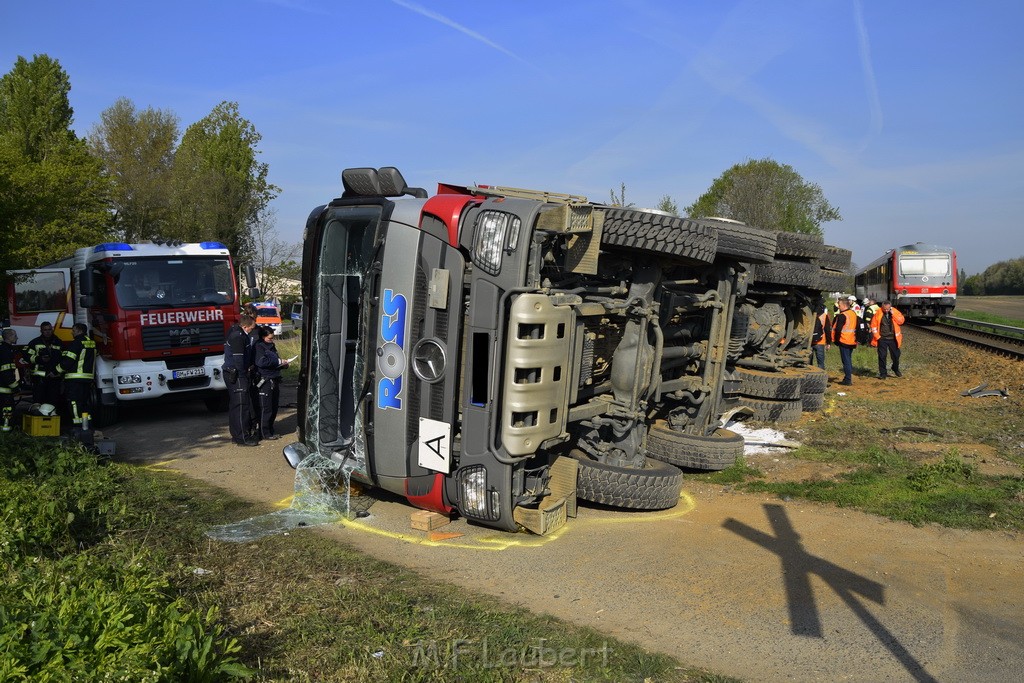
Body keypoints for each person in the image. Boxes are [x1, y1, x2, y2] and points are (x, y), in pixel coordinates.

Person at [224, 313, 258, 446]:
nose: (252, 331)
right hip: (236, 374)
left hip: (233, 373)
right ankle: (242, 438)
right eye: (251, 328)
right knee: (241, 406)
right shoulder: (238, 337)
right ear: (245, 326)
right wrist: (243, 376)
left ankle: (236, 435)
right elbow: (238, 360)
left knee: (235, 406)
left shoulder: (235, 331)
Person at [254, 326, 290, 441]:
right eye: (269, 338)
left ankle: (270, 429)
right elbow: (261, 362)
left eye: (272, 338)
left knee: (274, 407)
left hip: (274, 378)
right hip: (265, 380)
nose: (271, 340)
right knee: (266, 407)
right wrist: (278, 361)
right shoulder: (259, 347)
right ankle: (265, 432)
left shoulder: (271, 346)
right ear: (263, 337)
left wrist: (283, 364)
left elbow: (274, 360)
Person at [59, 323, 96, 429]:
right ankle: (87, 425)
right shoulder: (91, 342)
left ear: (79, 331)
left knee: (74, 402)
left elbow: (68, 361)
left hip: (75, 378)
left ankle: (78, 425)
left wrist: (57, 371)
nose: (72, 332)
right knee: (84, 402)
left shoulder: (76, 343)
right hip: (87, 378)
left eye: (73, 330)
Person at [25, 321, 64, 407]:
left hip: (54, 377)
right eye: (45, 330)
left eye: (49, 329)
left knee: (53, 401)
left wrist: (57, 373)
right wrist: (40, 359)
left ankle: (52, 417)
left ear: (52, 330)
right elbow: (27, 357)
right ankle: (38, 418)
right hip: (39, 378)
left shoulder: (59, 342)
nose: (48, 332)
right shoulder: (34, 342)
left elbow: (64, 359)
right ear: (41, 331)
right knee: (38, 401)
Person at [870, 299, 905, 379]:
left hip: (893, 338)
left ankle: (895, 368)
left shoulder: (895, 311)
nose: (886, 310)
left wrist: (893, 314)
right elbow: (873, 326)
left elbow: (901, 321)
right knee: (882, 356)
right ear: (882, 307)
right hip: (882, 338)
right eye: (884, 309)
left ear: (890, 307)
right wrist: (877, 337)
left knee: (896, 355)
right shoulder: (878, 313)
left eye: (888, 309)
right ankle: (883, 373)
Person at [832, 297, 859, 386]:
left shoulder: (842, 315)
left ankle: (848, 379)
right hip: (852, 340)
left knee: (846, 361)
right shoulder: (853, 313)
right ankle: (847, 378)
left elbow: (838, 329)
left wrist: (836, 341)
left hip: (844, 341)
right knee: (848, 360)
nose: (838, 307)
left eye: (839, 305)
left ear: (844, 305)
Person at [0, 329, 19, 432]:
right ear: (9, 337)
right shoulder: (6, 352)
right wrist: (15, 386)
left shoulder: (4, 349)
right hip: (4, 390)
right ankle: (6, 433)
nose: (17, 338)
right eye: (15, 335)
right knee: (7, 411)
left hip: (2, 388)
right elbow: (6, 373)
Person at [811, 303, 832, 370]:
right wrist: (828, 342)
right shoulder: (824, 316)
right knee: (820, 363)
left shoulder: (809, 314)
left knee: (808, 362)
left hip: (809, 341)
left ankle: (809, 377)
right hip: (820, 341)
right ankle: (821, 376)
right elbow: (827, 330)